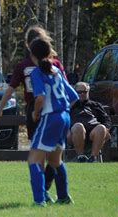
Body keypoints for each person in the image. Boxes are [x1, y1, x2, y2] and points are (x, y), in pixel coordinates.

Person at [0, 25, 67, 202]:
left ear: (28, 45)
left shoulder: (34, 66)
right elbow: (67, 91)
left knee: (39, 155)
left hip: (40, 109)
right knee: (52, 155)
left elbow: (12, 90)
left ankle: (42, 195)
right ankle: (55, 194)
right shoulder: (52, 65)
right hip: (57, 110)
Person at [28, 37, 79, 206]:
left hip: (51, 117)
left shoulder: (36, 72)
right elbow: (74, 97)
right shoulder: (56, 70)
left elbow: (41, 98)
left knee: (34, 160)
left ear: (33, 55)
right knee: (55, 160)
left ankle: (39, 201)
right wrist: (62, 112)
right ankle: (63, 197)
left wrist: (36, 113)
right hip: (64, 116)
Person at [68, 81, 112, 162]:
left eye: (84, 92)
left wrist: (106, 129)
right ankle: (81, 157)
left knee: (102, 128)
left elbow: (106, 120)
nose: (82, 94)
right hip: (74, 132)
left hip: (93, 131)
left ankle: (93, 158)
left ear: (88, 92)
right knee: (78, 126)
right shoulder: (69, 105)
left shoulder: (95, 105)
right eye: (79, 92)